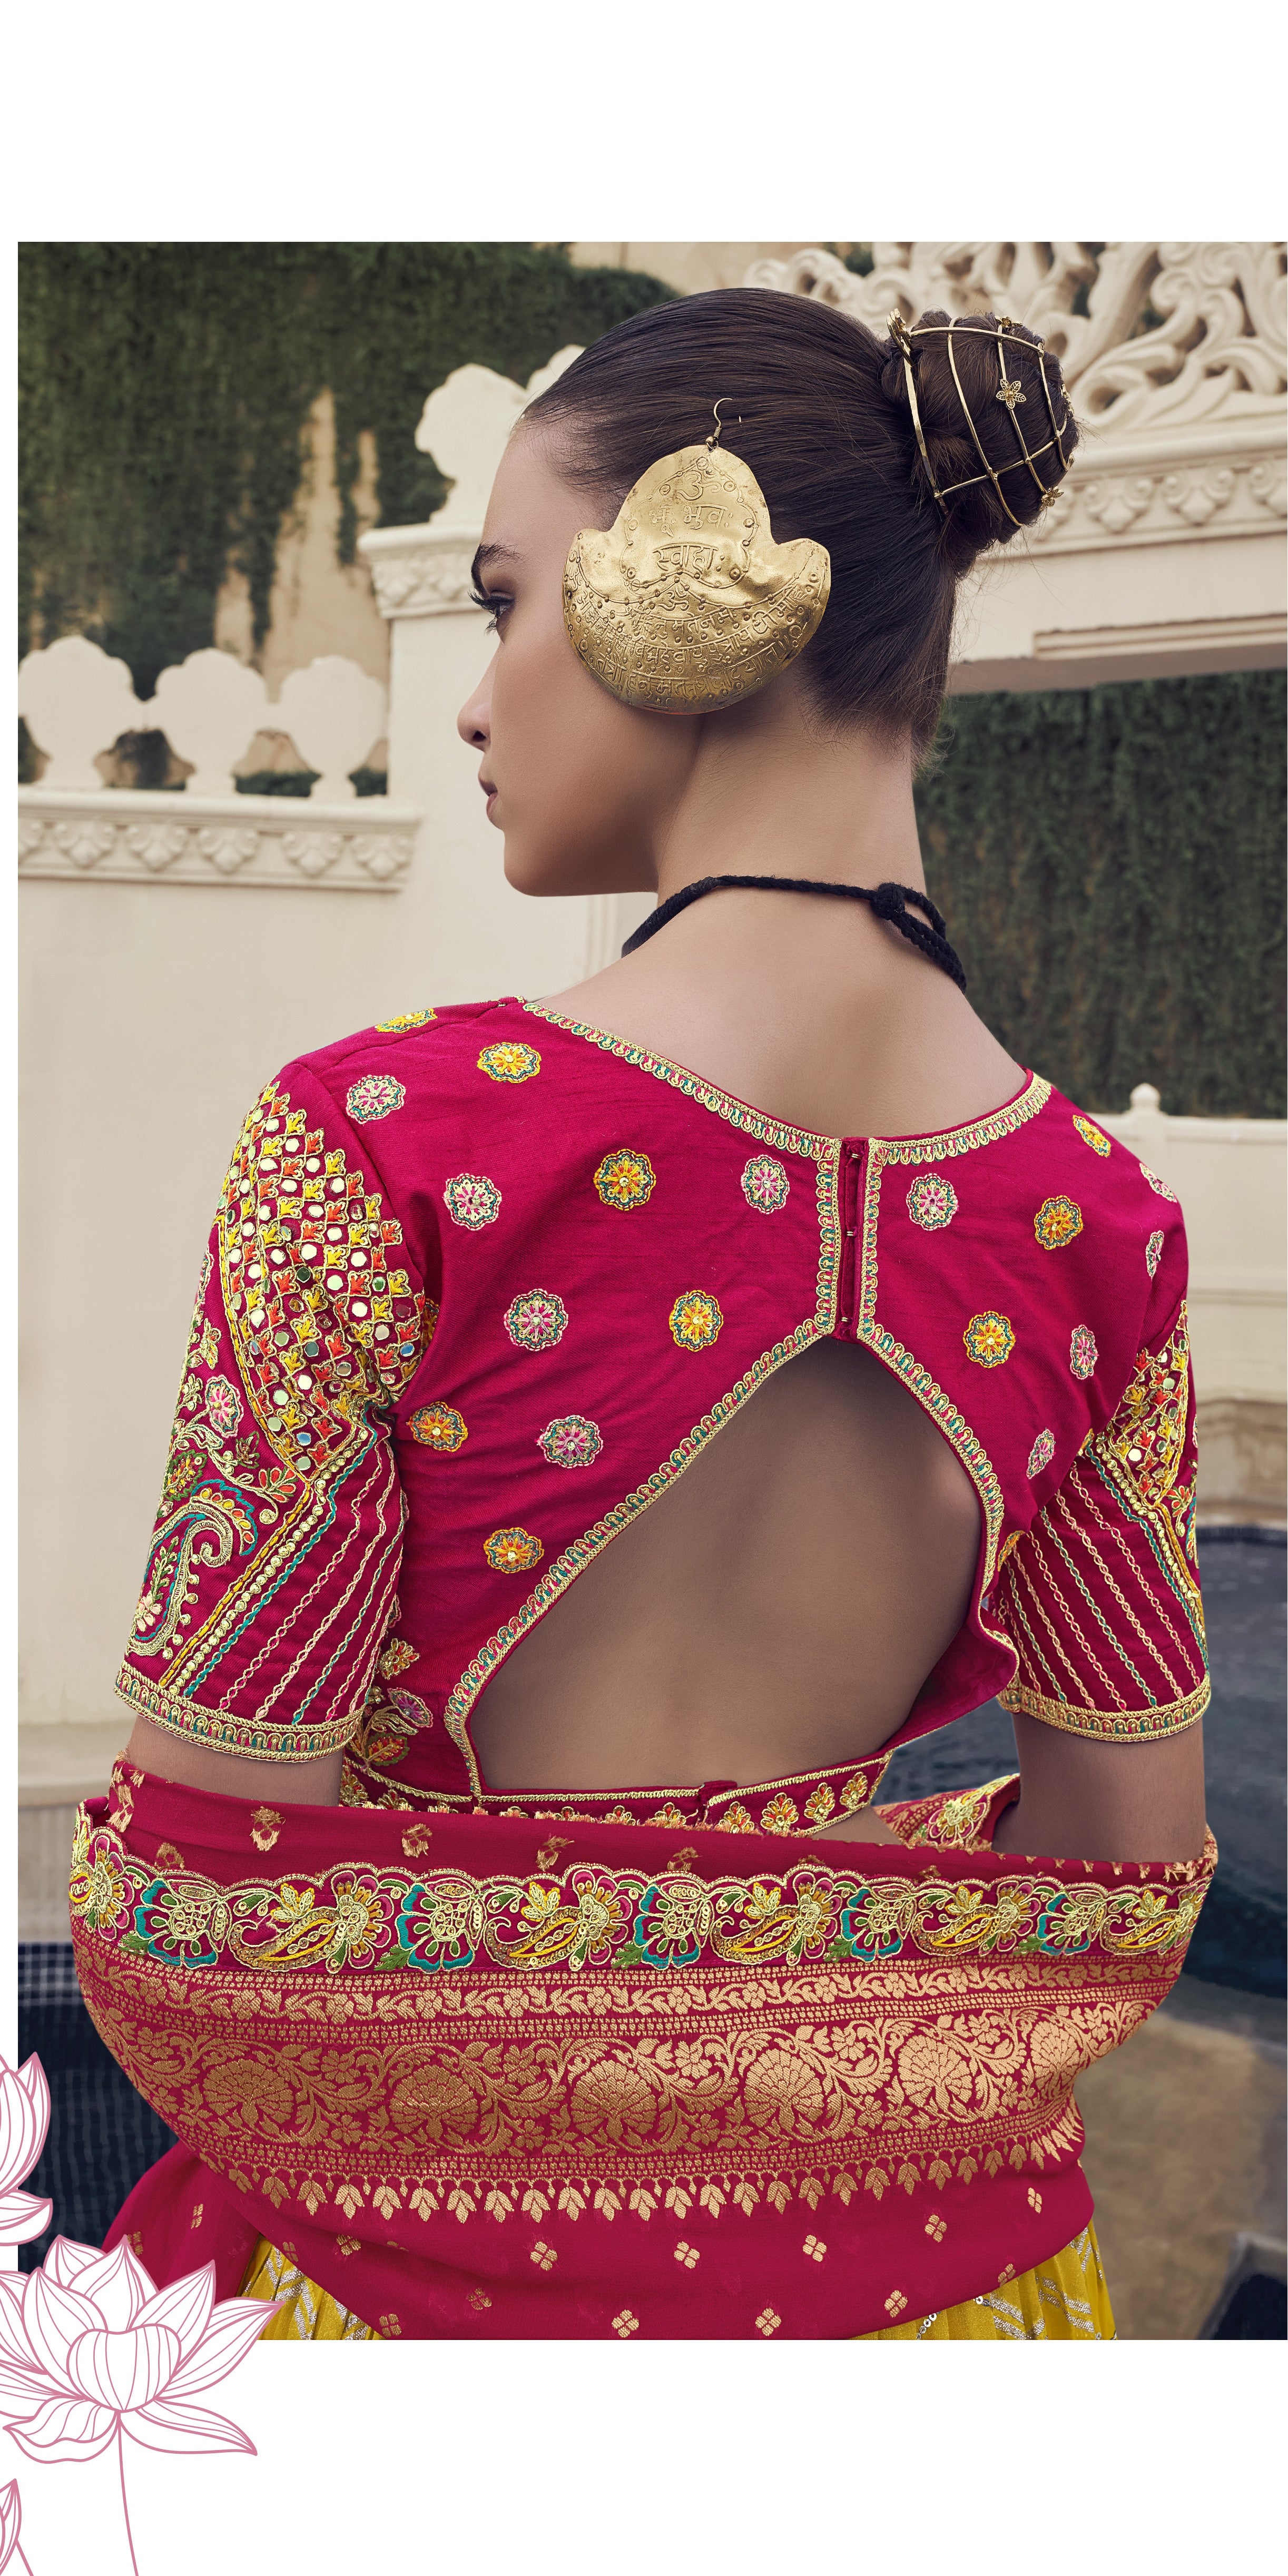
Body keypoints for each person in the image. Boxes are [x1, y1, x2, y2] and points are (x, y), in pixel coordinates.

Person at [73, 292, 1213, 2342]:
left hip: (432, 2313)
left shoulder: (388, 1146)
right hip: (943, 2306)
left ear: (697, 581)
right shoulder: (1101, 1222)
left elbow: (200, 1892)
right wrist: (806, 1939)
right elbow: (1123, 1874)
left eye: (511, 596)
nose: (474, 694)